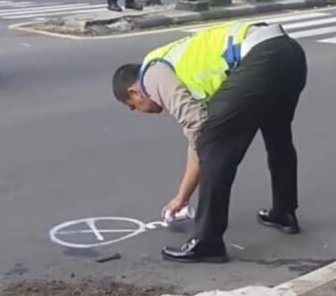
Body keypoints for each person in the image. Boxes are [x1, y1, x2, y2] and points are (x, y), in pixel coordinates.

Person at [113, 20, 307, 263]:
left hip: (261, 57)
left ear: (134, 92)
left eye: (133, 106)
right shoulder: (177, 66)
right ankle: (284, 212)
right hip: (288, 52)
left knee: (216, 147)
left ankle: (208, 240)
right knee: (278, 136)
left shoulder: (152, 74)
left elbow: (198, 129)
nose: (138, 111)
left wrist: (182, 196)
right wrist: (182, 196)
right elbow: (199, 129)